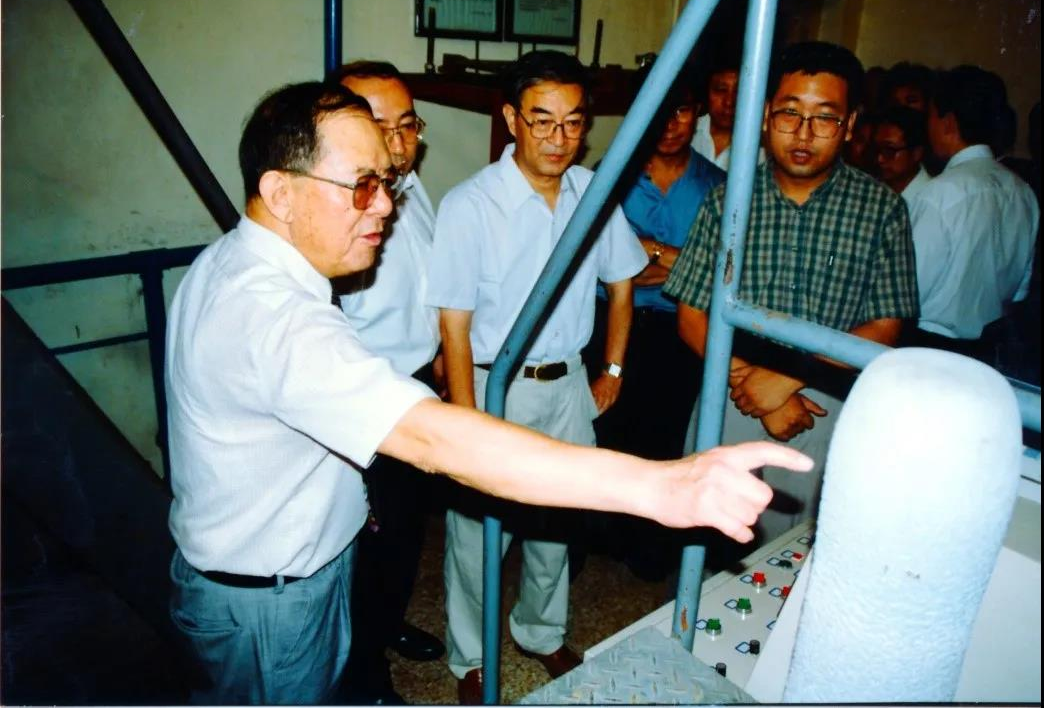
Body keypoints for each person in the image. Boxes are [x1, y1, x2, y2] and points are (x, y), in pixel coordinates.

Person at [166, 80, 812, 705]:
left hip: (282, 577)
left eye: (385, 182)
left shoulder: (240, 262)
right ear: (280, 192)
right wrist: (661, 485)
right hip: (269, 602)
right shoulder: (274, 316)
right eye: (362, 185)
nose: (384, 205)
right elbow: (434, 438)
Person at [425, 50, 648, 703]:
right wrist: (467, 419)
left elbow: (623, 283)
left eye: (573, 122)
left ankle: (540, 630)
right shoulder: (472, 204)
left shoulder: (591, 194)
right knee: (478, 536)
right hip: (496, 386)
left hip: (568, 385)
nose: (559, 137)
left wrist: (611, 368)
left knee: (560, 521)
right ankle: (471, 656)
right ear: (511, 118)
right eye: (542, 120)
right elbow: (454, 323)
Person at [665, 41, 919, 543]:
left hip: (828, 404)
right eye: (789, 113)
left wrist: (785, 379)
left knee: (808, 547)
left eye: (824, 118)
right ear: (765, 116)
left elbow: (885, 329)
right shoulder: (725, 202)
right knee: (707, 539)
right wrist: (754, 389)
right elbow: (692, 316)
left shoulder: (882, 210)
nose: (803, 134)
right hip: (730, 392)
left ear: (850, 124)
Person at [325, 60, 443, 704]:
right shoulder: (334, 211)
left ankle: (386, 626)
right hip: (365, 401)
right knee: (364, 549)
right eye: (380, 128)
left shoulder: (412, 189)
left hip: (417, 385)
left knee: (403, 537)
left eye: (408, 126)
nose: (397, 144)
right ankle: (363, 677)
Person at [583, 65, 725, 580]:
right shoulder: (610, 174)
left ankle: (648, 549)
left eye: (681, 110)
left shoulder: (717, 186)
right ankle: (595, 540)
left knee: (664, 437)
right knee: (603, 431)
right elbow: (598, 261)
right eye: (658, 112)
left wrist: (653, 251)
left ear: (697, 113)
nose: (669, 124)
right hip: (609, 319)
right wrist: (671, 262)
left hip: (677, 326)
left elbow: (719, 269)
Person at [904, 65, 1039, 362]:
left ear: (948, 122)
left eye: (930, 116)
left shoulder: (940, 193)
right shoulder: (1023, 192)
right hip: (987, 353)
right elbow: (1019, 291)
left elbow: (908, 291)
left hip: (928, 348)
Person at [692, 54, 765, 171]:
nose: (729, 102)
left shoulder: (762, 151)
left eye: (739, 91)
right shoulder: (685, 134)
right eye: (721, 90)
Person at [874, 105, 932, 206]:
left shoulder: (930, 199)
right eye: (876, 149)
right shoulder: (876, 190)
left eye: (889, 151)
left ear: (916, 153)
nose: (880, 159)